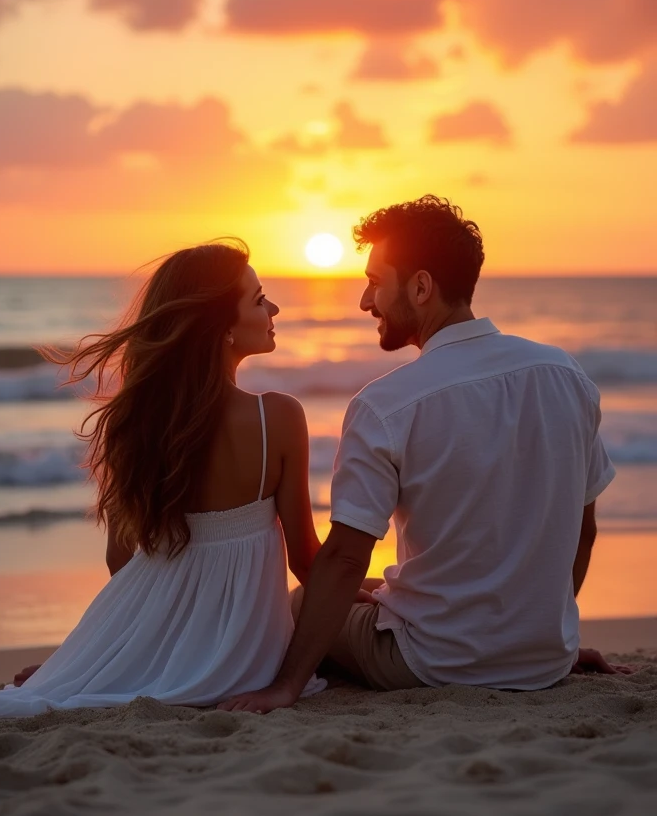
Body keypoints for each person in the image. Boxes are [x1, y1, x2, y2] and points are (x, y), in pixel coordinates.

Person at [220, 196, 624, 714]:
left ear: (420, 287)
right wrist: (548, 640)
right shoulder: (566, 376)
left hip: (431, 662)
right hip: (543, 661)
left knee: (301, 602)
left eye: (374, 282)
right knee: (372, 587)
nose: (366, 302)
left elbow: (344, 557)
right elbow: (581, 529)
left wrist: (286, 688)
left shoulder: (386, 404)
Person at [0, 240, 325, 715]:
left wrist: (108, 653)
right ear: (221, 327)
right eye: (259, 299)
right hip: (243, 661)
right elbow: (306, 560)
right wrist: (357, 582)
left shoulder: (136, 423)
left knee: (59, 691)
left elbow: (122, 559)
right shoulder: (278, 417)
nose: (273, 307)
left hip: (159, 634)